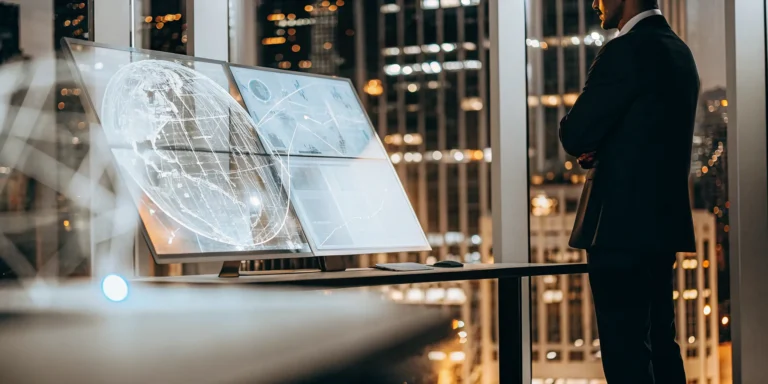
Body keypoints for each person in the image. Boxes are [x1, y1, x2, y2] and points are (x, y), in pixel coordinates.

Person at [559, 0, 699, 383]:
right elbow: (649, 135)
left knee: (626, 358)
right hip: (661, 230)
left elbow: (575, 134)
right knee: (662, 347)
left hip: (617, 230)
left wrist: (594, 142)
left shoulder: (624, 50)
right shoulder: (680, 54)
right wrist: (607, 143)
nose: (595, 3)